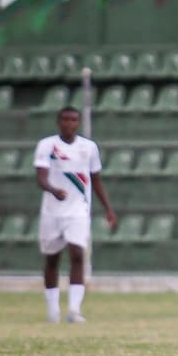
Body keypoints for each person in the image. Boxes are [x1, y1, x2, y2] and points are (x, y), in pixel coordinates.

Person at [34, 106, 117, 323]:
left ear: (78, 123)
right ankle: (53, 311)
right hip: (52, 212)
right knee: (52, 259)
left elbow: (96, 180)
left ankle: (73, 310)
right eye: (66, 119)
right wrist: (53, 190)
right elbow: (41, 177)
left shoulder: (88, 148)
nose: (70, 123)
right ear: (58, 122)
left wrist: (108, 209)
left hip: (78, 210)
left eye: (74, 120)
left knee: (77, 255)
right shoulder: (46, 145)